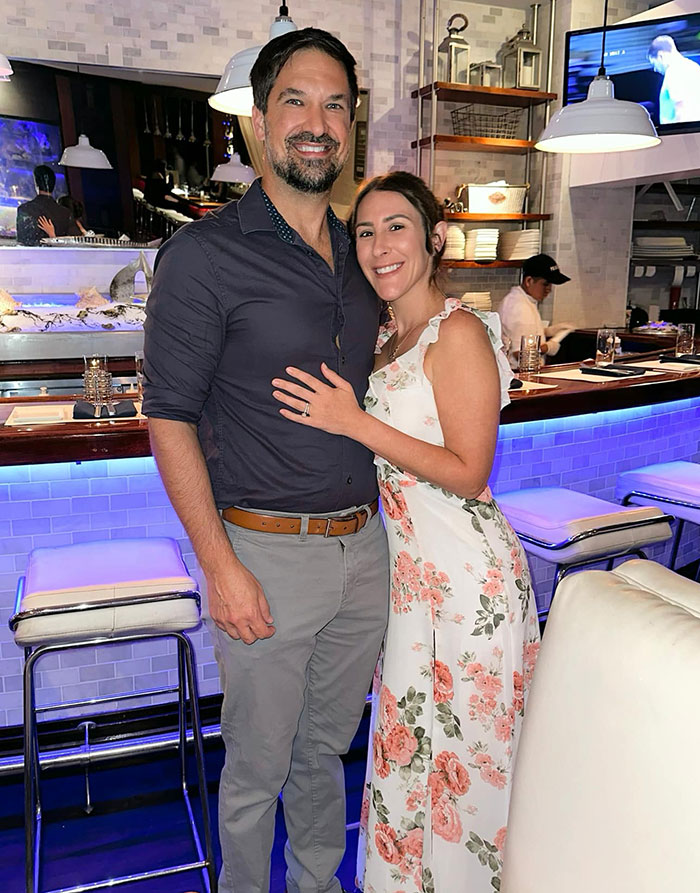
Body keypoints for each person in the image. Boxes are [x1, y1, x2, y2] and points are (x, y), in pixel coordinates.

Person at [142, 28, 389, 893]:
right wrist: (220, 567)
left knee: (324, 752)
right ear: (257, 120)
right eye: (296, 100)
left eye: (335, 105)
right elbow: (167, 416)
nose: (316, 122)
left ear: (351, 126)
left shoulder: (366, 257)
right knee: (255, 774)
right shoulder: (204, 256)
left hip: (366, 553)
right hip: (265, 555)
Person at [271, 171, 540, 893]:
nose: (379, 245)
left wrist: (353, 421)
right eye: (364, 231)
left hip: (469, 582)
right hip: (414, 590)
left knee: (469, 767)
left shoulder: (456, 331)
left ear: (435, 238)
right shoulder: (390, 337)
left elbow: (468, 468)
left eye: (396, 227)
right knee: (413, 756)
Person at [498, 253, 572, 369]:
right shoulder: (519, 307)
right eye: (545, 284)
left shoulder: (524, 300)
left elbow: (522, 333)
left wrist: (547, 331)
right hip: (518, 373)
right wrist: (550, 346)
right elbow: (521, 353)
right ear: (529, 281)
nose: (549, 290)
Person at [16, 165, 81, 245]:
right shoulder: (65, 213)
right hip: (60, 256)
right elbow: (76, 243)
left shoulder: (24, 210)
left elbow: (22, 242)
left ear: (35, 184)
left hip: (31, 256)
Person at [648, 35, 700, 125]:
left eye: (654, 64)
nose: (655, 69)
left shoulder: (674, 71)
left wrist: (678, 133)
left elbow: (681, 105)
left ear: (661, 56)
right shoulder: (694, 66)